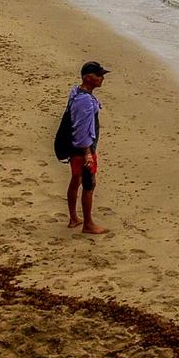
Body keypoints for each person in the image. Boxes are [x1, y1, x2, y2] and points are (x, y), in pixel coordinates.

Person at [65, 61, 107, 234]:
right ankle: (88, 224)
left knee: (76, 179)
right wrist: (88, 153)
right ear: (89, 78)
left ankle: (74, 218)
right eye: (99, 75)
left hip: (74, 147)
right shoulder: (85, 102)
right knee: (89, 185)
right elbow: (83, 130)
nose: (102, 78)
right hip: (83, 149)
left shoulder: (76, 92)